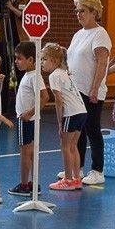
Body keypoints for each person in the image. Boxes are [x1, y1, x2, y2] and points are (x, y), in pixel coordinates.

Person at [67, 0, 111, 185]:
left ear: (94, 12)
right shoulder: (78, 34)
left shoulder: (100, 34)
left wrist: (94, 89)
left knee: (92, 129)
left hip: (90, 91)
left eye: (83, 11)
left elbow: (101, 63)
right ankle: (79, 167)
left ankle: (97, 170)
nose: (79, 14)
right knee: (79, 131)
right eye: (77, 11)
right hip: (75, 91)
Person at [40, 43, 86, 192]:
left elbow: (59, 100)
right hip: (81, 112)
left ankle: (67, 180)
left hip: (71, 113)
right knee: (73, 146)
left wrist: (60, 122)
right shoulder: (64, 73)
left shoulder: (54, 76)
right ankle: (77, 179)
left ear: (53, 60)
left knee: (65, 146)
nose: (42, 63)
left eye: (44, 59)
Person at [8, 42, 43, 197]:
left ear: (30, 60)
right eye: (16, 58)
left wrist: (30, 112)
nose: (16, 61)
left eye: (19, 59)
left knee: (25, 153)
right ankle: (33, 183)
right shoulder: (30, 75)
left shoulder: (34, 76)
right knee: (30, 152)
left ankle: (24, 184)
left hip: (26, 120)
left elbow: (44, 97)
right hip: (28, 119)